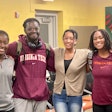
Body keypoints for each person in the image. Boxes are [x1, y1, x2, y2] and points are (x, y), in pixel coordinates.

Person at [6, 18, 55, 112]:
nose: (34, 31)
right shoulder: (16, 46)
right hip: (21, 97)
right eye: (30, 29)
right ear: (25, 30)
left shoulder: (46, 48)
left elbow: (54, 67)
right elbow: (3, 51)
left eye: (36, 28)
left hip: (41, 97)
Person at [52, 29, 90, 112]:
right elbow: (44, 49)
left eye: (71, 38)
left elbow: (98, 52)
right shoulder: (57, 52)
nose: (68, 41)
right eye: (66, 38)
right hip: (59, 94)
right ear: (63, 40)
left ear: (75, 41)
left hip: (75, 95)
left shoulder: (83, 54)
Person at [88, 29, 112, 112]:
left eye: (100, 37)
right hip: (97, 102)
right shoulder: (91, 57)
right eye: (95, 39)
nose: (98, 40)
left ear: (106, 39)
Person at [0, 30, 15, 112]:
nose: (2, 45)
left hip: (9, 107)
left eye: (5, 43)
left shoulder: (11, 61)